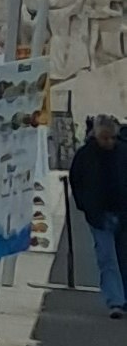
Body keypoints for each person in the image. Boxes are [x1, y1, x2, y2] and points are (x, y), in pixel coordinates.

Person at [71, 114, 127, 317]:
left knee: (123, 257)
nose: (109, 142)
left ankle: (123, 297)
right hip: (98, 215)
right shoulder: (85, 155)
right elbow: (76, 182)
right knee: (106, 258)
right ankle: (116, 300)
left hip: (122, 212)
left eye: (112, 137)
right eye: (105, 138)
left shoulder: (123, 152)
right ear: (96, 135)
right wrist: (85, 207)